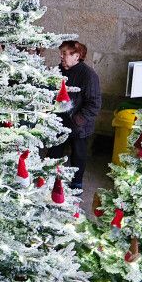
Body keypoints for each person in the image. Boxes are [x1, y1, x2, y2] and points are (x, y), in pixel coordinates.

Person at [54, 40, 101, 190]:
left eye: (65, 53)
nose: (61, 56)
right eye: (61, 53)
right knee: (54, 151)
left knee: (78, 155)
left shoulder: (88, 75)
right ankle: (51, 178)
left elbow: (94, 104)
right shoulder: (58, 70)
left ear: (77, 56)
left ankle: (76, 183)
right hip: (59, 121)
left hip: (79, 124)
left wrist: (77, 119)